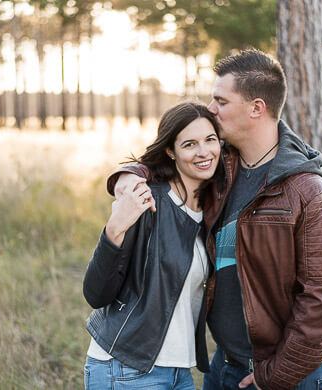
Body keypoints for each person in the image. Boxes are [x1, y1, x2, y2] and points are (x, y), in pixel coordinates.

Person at [108, 49, 322, 390]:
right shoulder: (222, 169)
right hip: (223, 364)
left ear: (256, 108)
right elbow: (170, 157)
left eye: (221, 100)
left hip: (282, 374)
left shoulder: (307, 190)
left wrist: (275, 377)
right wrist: (129, 174)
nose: (210, 109)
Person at [83, 102, 223, 389]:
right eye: (189, 144)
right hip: (125, 369)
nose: (204, 152)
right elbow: (96, 292)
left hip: (180, 374)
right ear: (170, 151)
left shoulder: (211, 211)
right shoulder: (147, 202)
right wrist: (114, 228)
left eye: (210, 139)